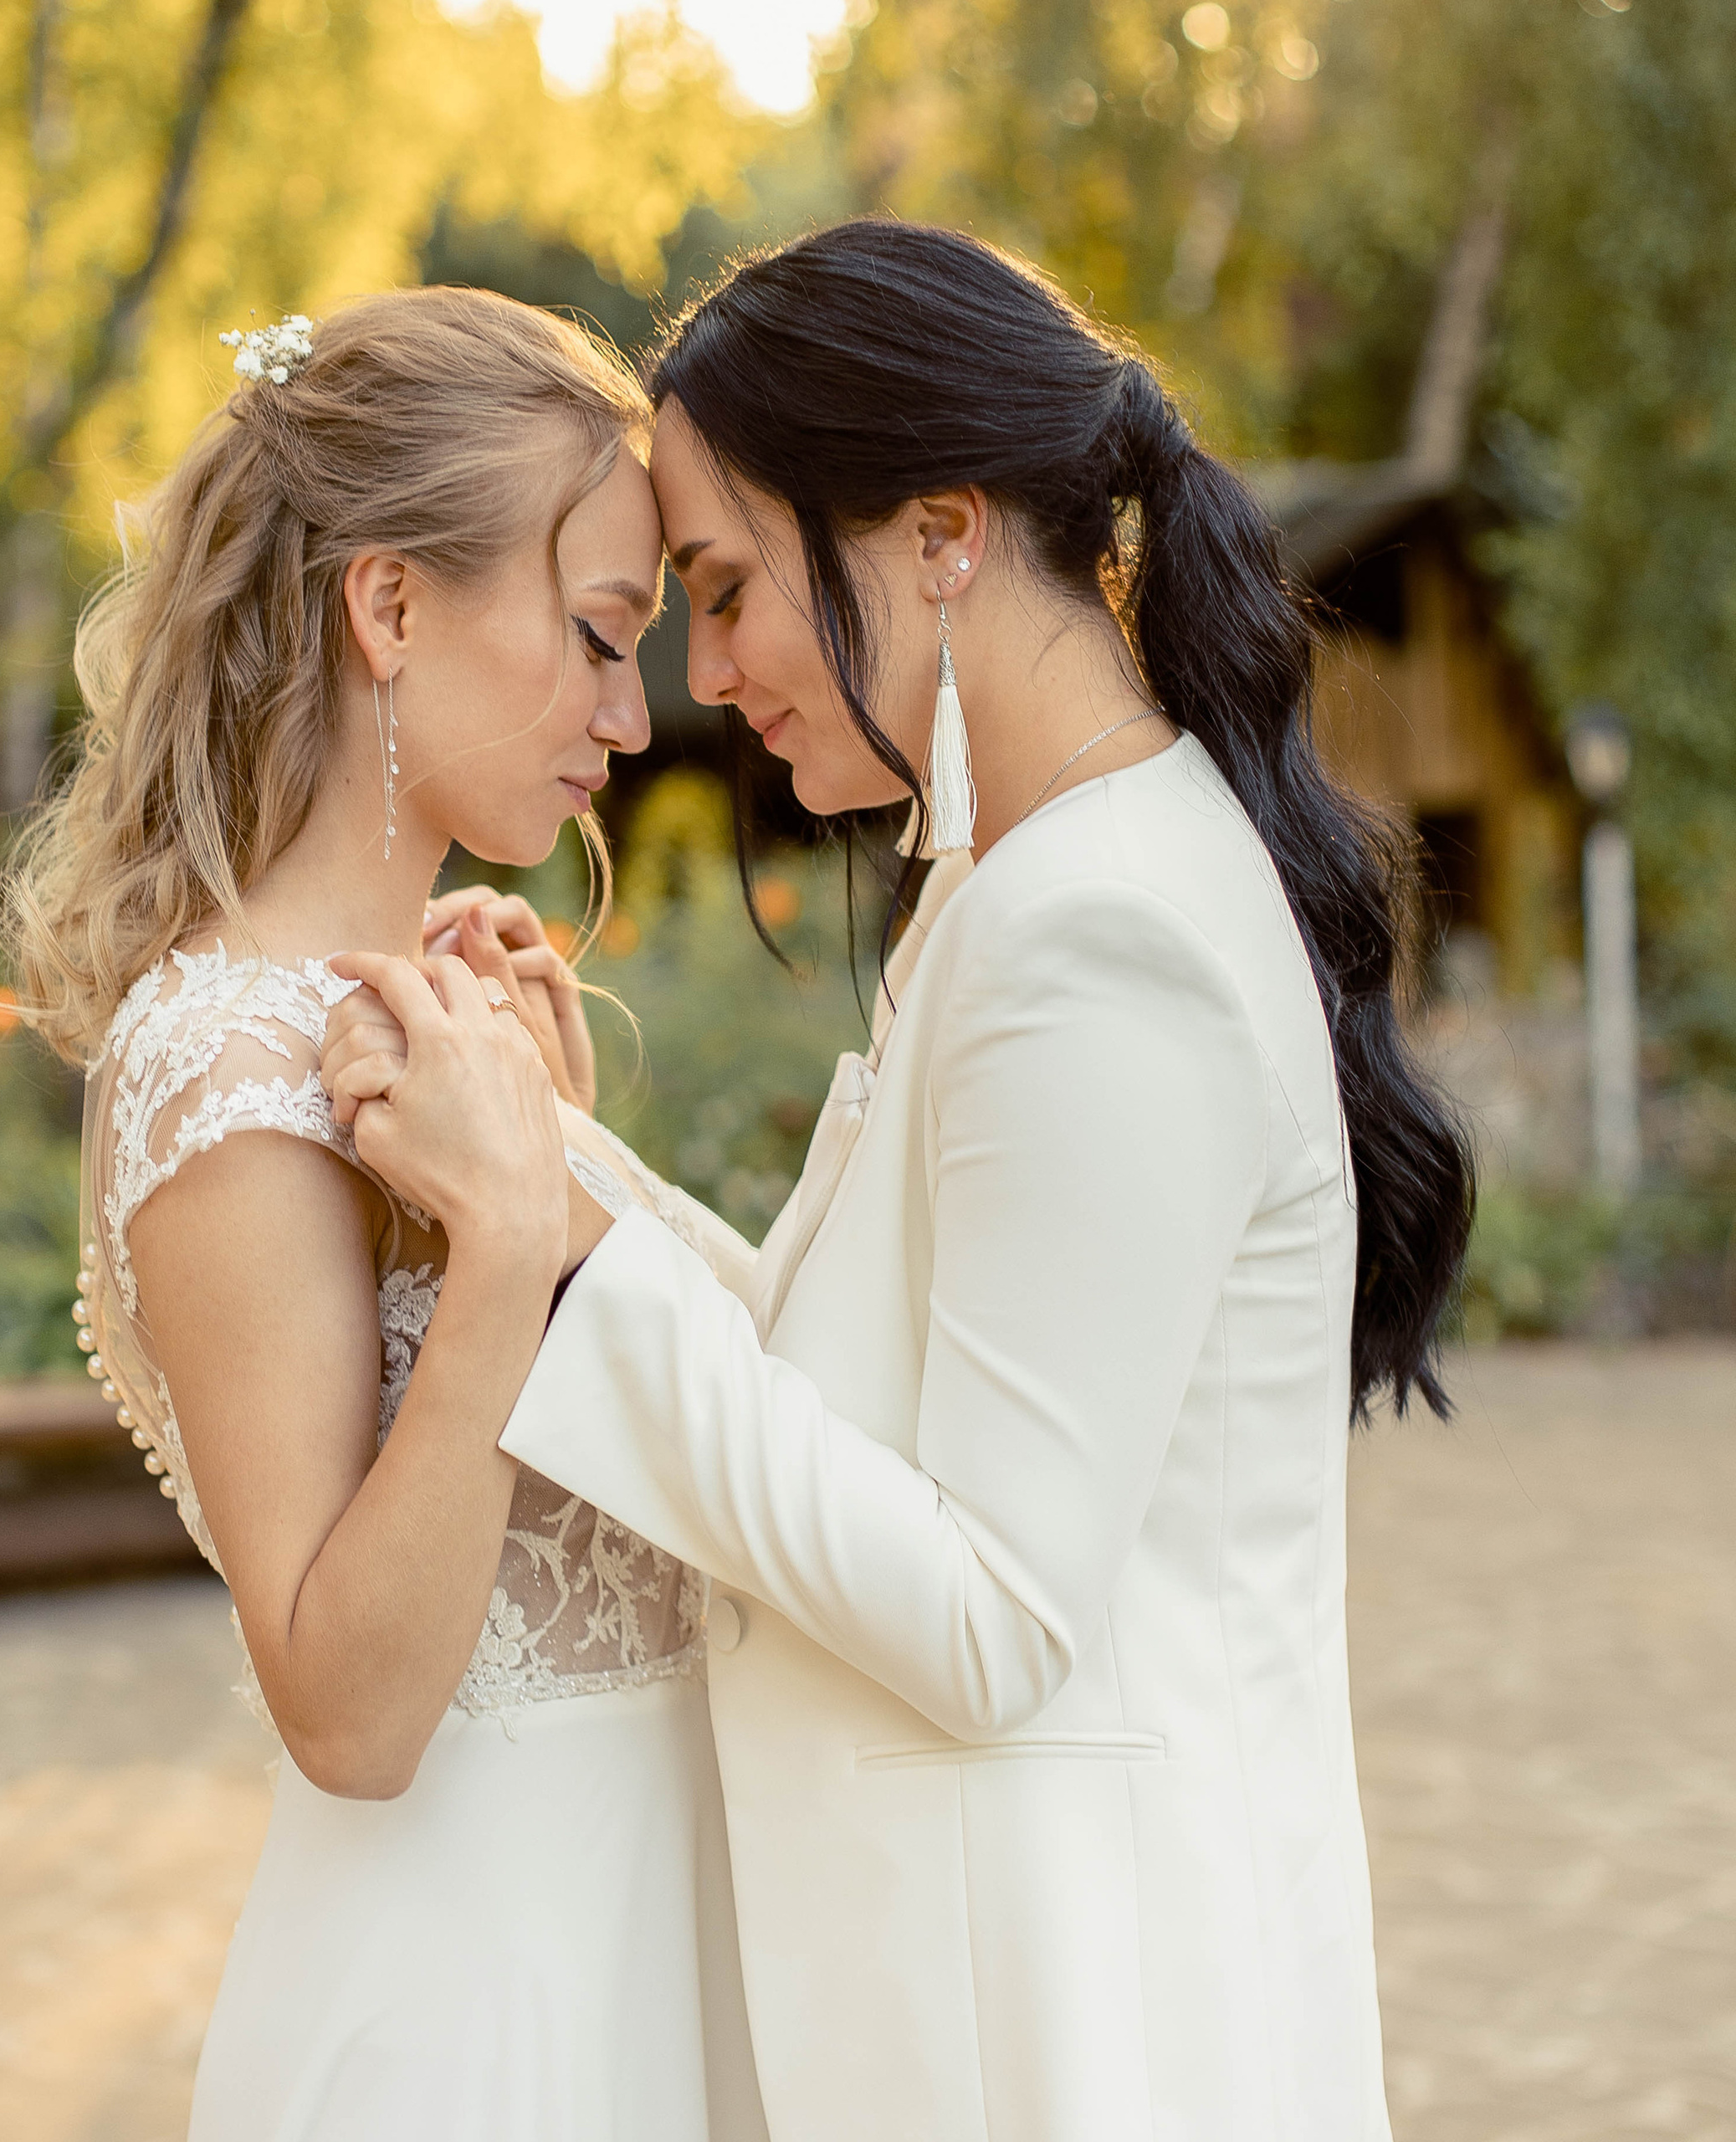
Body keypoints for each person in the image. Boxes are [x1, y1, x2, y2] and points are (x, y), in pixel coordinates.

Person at [323, 221, 1477, 2142]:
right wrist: (549, 1158)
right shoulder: (1020, 884)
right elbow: (854, 1399)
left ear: (936, 535)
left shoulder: (1096, 927)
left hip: (1072, 2019)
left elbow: (986, 1604)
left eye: (722, 587)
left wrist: (549, 1245)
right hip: (1013, 1982)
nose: (704, 671)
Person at [0, 286, 766, 2142]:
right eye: (595, 635)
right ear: (391, 605)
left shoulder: (438, 1036)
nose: (626, 717)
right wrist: (509, 1242)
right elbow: (346, 1708)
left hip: (661, 1939)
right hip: (474, 2013)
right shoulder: (228, 1075)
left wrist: (559, 1156)